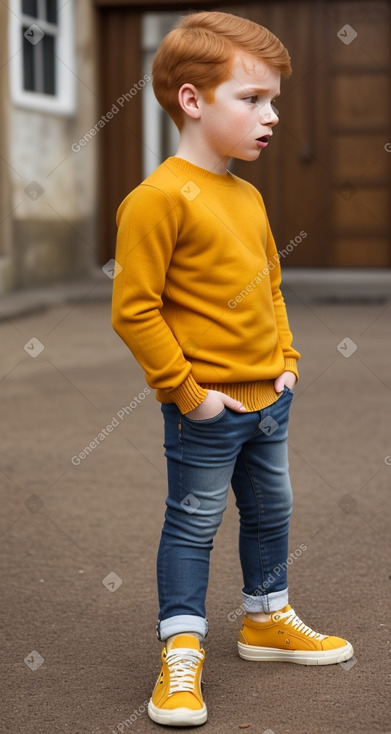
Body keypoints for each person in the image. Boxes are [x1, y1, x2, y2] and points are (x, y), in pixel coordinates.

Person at [111, 10, 353, 727]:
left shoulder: (246, 195)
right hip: (205, 410)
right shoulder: (155, 200)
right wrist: (188, 397)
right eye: (251, 99)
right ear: (192, 100)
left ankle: (264, 617)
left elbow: (269, 285)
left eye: (272, 99)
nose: (270, 115)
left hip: (268, 402)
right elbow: (135, 311)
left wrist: (286, 362)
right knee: (192, 527)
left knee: (272, 513)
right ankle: (180, 652)